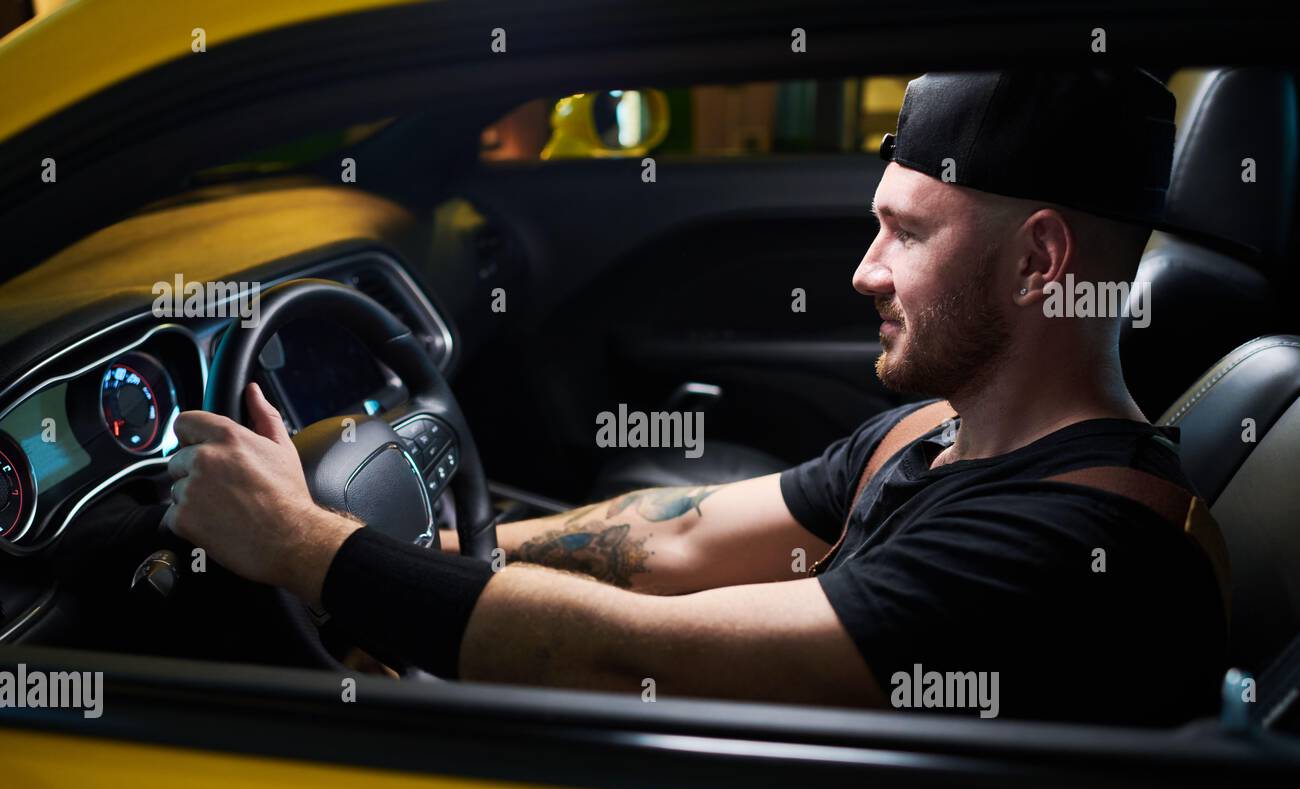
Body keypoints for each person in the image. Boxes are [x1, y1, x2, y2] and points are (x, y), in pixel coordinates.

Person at [163, 70, 1228, 725]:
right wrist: (435, 558)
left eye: (906, 232)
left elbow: (630, 657)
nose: (864, 270)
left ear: (1041, 259)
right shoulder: (936, 433)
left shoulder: (1069, 550)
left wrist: (304, 547)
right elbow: (668, 538)